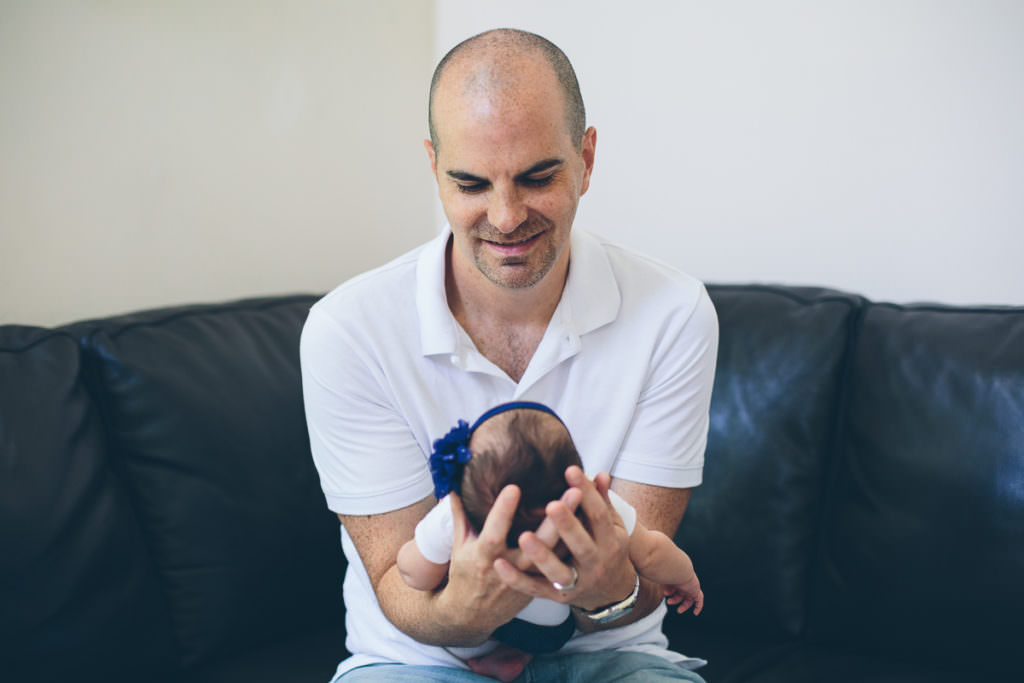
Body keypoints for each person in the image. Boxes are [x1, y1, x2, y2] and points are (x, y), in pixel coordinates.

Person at [301, 27, 718, 682]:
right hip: (414, 661)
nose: (504, 216)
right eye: (470, 182)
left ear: (585, 158)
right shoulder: (348, 331)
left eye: (537, 176)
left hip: (610, 656)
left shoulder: (673, 313)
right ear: (434, 167)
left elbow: (639, 582)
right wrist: (461, 611)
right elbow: (398, 580)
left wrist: (608, 591)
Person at [397, 401, 705, 682]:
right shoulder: (595, 508)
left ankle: (498, 659)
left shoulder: (455, 517)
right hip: (552, 630)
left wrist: (431, 567)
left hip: (484, 630)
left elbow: (416, 573)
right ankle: (519, 655)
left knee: (462, 621)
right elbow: (652, 552)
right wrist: (685, 577)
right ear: (574, 471)